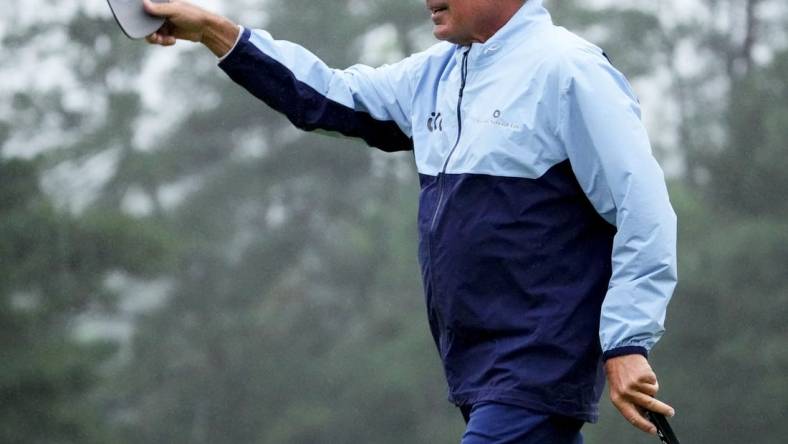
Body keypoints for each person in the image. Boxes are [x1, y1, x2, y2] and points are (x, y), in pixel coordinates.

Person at [142, 0, 678, 442]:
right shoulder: (436, 73)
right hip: (474, 372)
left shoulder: (570, 70)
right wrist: (214, 29)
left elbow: (644, 211)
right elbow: (325, 96)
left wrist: (627, 341)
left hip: (532, 370)